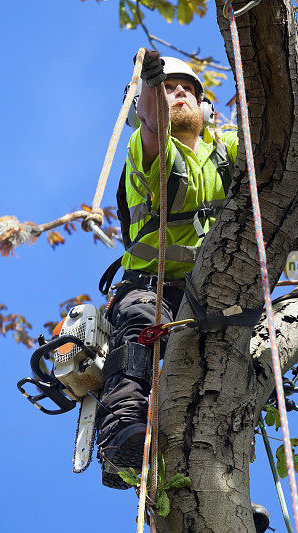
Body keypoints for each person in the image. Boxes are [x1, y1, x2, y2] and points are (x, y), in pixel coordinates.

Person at [97, 51, 239, 487]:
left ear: (206, 109)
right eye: (169, 88)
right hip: (151, 286)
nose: (178, 95)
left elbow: (274, 145)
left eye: (188, 90)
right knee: (143, 328)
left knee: (229, 372)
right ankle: (121, 437)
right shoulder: (145, 148)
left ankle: (220, 477)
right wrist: (151, 82)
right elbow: (154, 120)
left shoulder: (226, 149)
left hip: (212, 291)